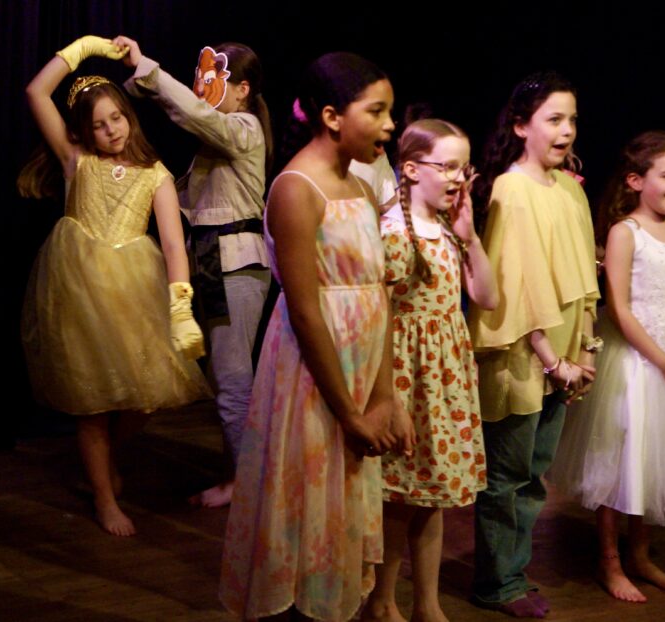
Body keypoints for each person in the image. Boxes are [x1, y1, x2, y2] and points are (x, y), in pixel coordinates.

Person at [219, 52, 413, 622]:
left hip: (361, 368)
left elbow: (377, 295)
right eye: (376, 111)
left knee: (343, 506)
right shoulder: (296, 189)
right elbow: (305, 313)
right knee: (305, 501)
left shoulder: (360, 183)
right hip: (314, 377)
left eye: (390, 112)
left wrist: (383, 397)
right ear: (332, 116)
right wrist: (349, 413)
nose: (389, 125)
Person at [18, 36, 211, 537]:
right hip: (80, 287)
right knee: (93, 403)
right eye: (98, 124)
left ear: (130, 115)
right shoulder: (76, 160)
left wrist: (180, 304)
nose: (110, 130)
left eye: (116, 119)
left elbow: (172, 244)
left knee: (144, 398)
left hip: (132, 292)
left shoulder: (156, 174)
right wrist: (82, 50)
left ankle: (102, 465)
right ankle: (105, 495)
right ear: (85, 129)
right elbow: (37, 92)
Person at [549, 130, 665, 602]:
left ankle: (641, 554)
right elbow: (621, 309)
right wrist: (663, 363)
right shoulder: (624, 232)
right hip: (634, 366)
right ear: (636, 180)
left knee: (654, 465)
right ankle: (609, 561)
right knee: (622, 463)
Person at [117, 37, 273, 507]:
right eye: (199, 78)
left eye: (213, 79)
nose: (201, 87)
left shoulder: (242, 128)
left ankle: (246, 487)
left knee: (232, 380)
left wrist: (146, 68)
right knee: (212, 376)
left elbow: (197, 115)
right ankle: (238, 477)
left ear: (242, 89)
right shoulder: (216, 144)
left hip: (233, 262)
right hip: (211, 259)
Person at [467, 72, 600, 618]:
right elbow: (513, 290)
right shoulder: (511, 190)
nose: (567, 130)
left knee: (534, 474)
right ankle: (497, 583)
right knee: (507, 477)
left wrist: (586, 353)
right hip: (526, 358)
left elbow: (585, 279)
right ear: (522, 126)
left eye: (571, 119)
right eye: (554, 118)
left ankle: (513, 573)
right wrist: (554, 361)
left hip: (565, 360)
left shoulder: (569, 187)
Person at [363, 116, 497, 622]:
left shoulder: (446, 229)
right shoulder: (392, 232)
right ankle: (382, 599)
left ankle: (428, 603)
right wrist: (385, 396)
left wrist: (471, 237)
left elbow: (486, 296)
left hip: (445, 379)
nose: (460, 177)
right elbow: (380, 318)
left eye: (466, 167)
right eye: (449, 166)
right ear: (413, 169)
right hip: (406, 377)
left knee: (432, 495)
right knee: (399, 497)